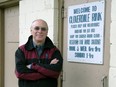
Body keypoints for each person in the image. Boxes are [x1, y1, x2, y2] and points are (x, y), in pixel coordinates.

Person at [15, 19, 63, 87]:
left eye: (43, 29)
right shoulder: (22, 50)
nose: (40, 31)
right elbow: (20, 73)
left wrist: (33, 66)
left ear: (47, 32)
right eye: (36, 28)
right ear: (31, 31)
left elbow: (56, 72)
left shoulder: (54, 51)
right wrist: (47, 71)